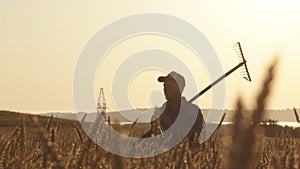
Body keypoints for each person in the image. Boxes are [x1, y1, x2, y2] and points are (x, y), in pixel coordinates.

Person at [142, 71, 204, 141]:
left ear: (179, 88)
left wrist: (172, 127)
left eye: (170, 86)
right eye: (165, 86)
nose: (165, 89)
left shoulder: (193, 112)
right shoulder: (159, 113)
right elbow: (151, 137)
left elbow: (197, 137)